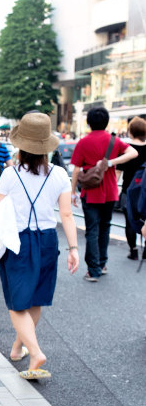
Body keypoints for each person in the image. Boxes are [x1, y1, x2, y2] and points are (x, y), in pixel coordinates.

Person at [0, 112, 79, 379]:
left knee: (17, 304)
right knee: (35, 299)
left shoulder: (10, 174)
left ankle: (35, 351)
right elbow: (66, 215)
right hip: (48, 241)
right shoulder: (60, 174)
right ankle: (19, 347)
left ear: (21, 146)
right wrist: (74, 249)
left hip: (18, 242)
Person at [70, 107, 137, 281]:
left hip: (90, 193)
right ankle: (102, 263)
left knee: (91, 230)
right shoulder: (114, 141)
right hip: (110, 192)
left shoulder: (83, 142)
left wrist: (72, 192)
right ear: (106, 122)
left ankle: (93, 270)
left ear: (89, 122)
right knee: (105, 228)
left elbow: (76, 169)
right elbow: (133, 152)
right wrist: (110, 162)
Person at [116, 116, 146, 261]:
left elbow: (118, 172)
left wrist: (115, 189)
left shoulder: (126, 149)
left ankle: (133, 250)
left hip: (128, 190)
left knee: (130, 221)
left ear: (131, 131)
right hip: (145, 191)